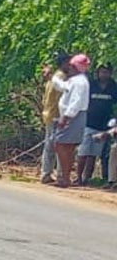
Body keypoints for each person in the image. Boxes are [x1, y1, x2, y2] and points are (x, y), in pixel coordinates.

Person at [52, 53, 92, 189]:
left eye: (71, 65)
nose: (69, 67)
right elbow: (62, 86)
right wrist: (52, 78)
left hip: (74, 116)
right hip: (73, 116)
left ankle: (65, 177)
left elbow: (75, 102)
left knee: (60, 145)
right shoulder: (74, 80)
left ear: (75, 67)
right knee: (67, 147)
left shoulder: (80, 82)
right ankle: (65, 176)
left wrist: (66, 117)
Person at [77, 63, 115, 185]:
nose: (104, 74)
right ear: (97, 73)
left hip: (104, 126)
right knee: (83, 152)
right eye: (102, 72)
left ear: (110, 73)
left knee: (93, 154)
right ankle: (78, 177)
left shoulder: (113, 87)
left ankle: (86, 178)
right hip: (88, 123)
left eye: (106, 72)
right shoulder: (91, 85)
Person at [40, 52, 71, 184]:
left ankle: (46, 173)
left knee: (50, 146)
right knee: (59, 146)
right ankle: (59, 175)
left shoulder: (53, 78)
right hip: (56, 116)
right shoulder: (61, 78)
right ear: (63, 63)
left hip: (49, 114)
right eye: (68, 63)